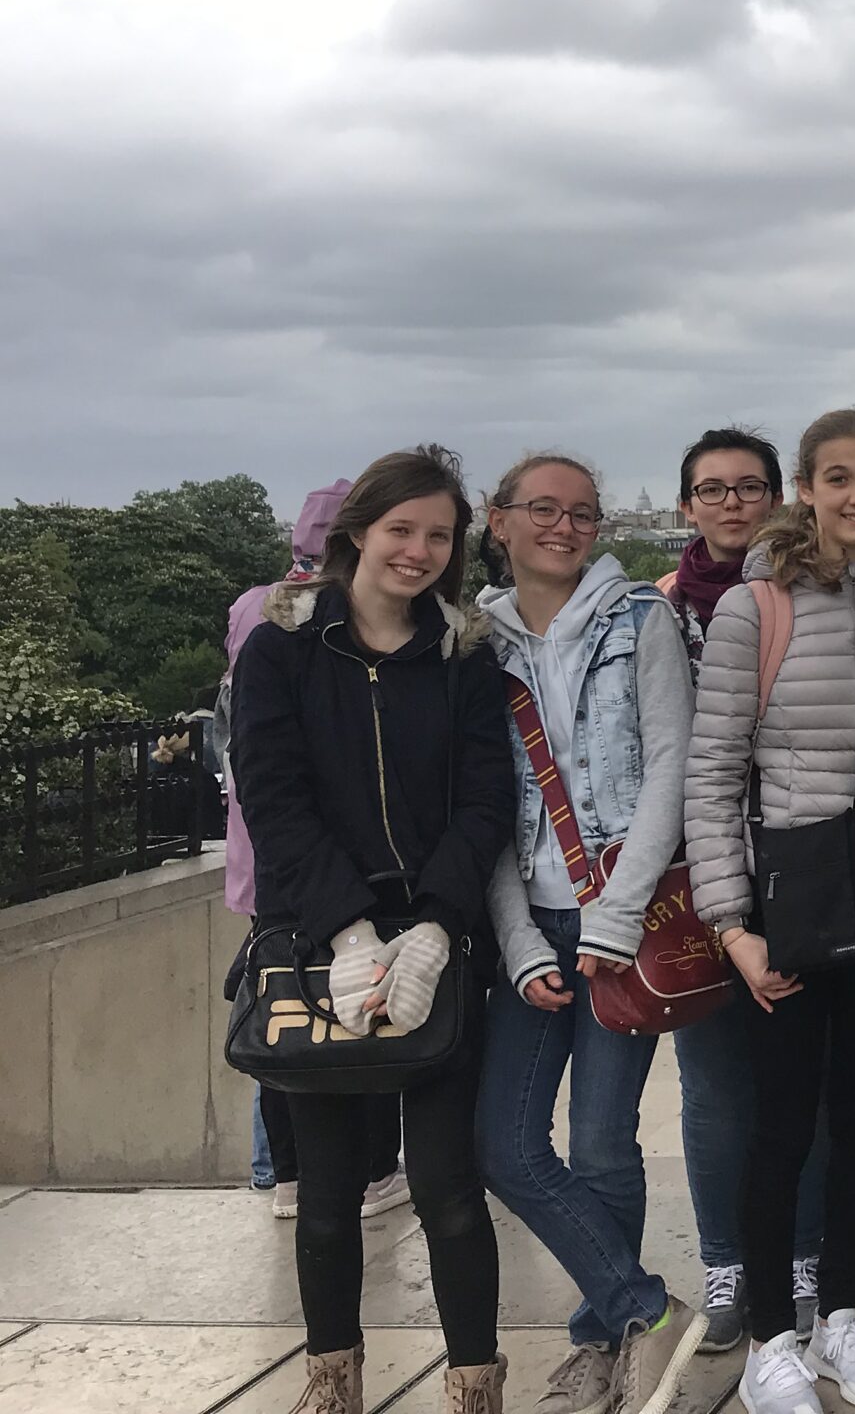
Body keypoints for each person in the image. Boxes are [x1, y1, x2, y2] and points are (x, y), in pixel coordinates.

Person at [228, 446, 515, 1414]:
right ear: (358, 531)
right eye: (401, 529)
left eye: (439, 535)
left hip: (435, 935)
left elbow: (487, 799)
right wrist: (347, 931)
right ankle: (332, 1379)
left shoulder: (463, 655)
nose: (418, 551)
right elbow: (273, 798)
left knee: (446, 1184)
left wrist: (434, 927)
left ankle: (473, 1385)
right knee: (328, 1190)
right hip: (321, 939)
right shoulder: (282, 650)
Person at [685, 410, 855, 1414]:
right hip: (787, 910)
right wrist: (732, 928)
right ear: (807, 488)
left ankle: (839, 1310)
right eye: (839, 478)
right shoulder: (756, 609)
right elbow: (712, 776)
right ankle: (768, 1339)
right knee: (782, 1125)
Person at [475, 453, 707, 1414]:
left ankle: (605, 1341)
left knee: (604, 1140)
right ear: (499, 520)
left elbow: (672, 768)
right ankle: (647, 1311)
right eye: (543, 509)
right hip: (531, 917)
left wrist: (616, 913)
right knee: (505, 1145)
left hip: (624, 910)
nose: (564, 527)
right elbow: (482, 805)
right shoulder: (473, 644)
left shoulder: (641, 620)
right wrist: (519, 939)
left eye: (582, 513)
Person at [656, 426, 831, 1351]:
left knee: (804, 1082)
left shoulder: (814, 594)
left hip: (799, 859)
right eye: (713, 489)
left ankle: (799, 1258)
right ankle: (727, 1264)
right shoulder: (656, 614)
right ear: (687, 504)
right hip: (699, 868)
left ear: (778, 497)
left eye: (749, 486)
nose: (732, 503)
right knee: (715, 1087)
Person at [220, 480, 409, 1227]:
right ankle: (374, 1169)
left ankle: (284, 1173)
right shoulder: (330, 625)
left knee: (287, 1010)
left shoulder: (254, 607)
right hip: (336, 866)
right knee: (368, 1019)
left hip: (266, 863)